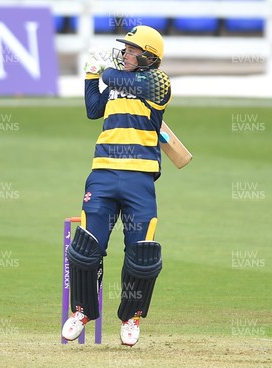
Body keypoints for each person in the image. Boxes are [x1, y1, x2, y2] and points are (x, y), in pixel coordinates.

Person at [61, 25, 171, 347]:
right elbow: (94, 109)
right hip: (104, 171)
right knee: (86, 247)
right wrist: (90, 76)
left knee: (142, 255)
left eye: (132, 50)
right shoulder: (119, 80)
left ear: (149, 57)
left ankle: (130, 317)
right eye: (124, 49)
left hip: (140, 175)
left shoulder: (158, 83)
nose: (125, 53)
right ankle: (82, 311)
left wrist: (106, 70)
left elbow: (119, 79)